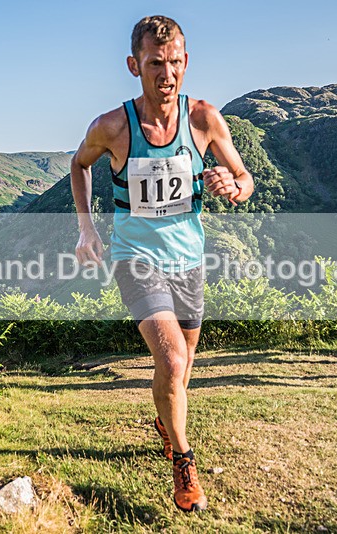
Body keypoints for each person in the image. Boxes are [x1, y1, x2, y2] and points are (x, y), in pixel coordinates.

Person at [69, 15, 254, 511]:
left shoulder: (205, 120)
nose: (167, 74)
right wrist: (87, 228)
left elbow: (243, 178)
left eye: (175, 63)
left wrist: (232, 187)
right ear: (135, 65)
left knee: (180, 368)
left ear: (186, 62)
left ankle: (165, 421)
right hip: (136, 260)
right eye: (155, 63)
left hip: (190, 262)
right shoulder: (112, 127)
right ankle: (183, 459)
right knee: (171, 360)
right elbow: (78, 166)